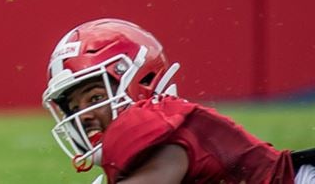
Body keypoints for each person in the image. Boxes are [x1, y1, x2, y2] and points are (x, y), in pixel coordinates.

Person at [42, 18, 315, 184]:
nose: (84, 115)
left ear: (142, 82)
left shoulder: (155, 120)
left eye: (96, 97)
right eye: (75, 107)